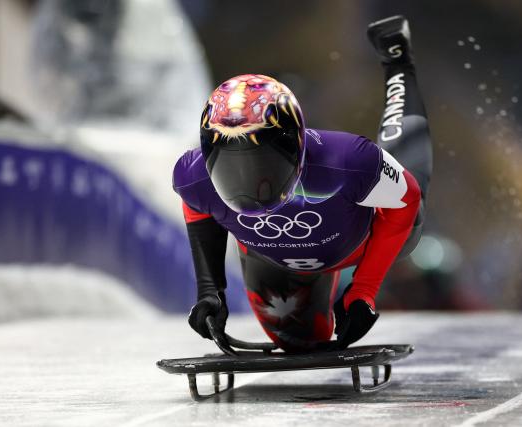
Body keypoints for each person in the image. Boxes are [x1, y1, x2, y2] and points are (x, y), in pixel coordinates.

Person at [173, 16, 433, 351]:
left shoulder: (349, 162)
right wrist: (210, 292)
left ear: (297, 148)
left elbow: (406, 199)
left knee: (409, 194)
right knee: (301, 342)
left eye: (261, 164)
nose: (250, 185)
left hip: (359, 240)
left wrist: (363, 290)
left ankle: (398, 62)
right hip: (276, 260)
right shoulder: (193, 177)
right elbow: (198, 206)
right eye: (230, 167)